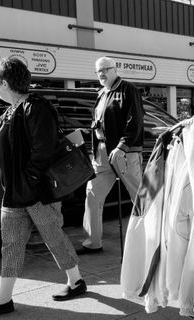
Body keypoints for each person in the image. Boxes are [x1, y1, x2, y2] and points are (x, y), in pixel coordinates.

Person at [0, 57, 87, 316]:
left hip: (37, 194)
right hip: (14, 193)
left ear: (4, 82)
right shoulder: (10, 111)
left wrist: (30, 181)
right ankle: (3, 299)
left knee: (53, 237)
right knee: (10, 244)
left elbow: (43, 151)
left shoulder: (36, 107)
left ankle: (75, 280)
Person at [77, 57, 145, 255]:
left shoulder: (128, 90)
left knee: (138, 196)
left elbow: (136, 121)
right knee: (92, 195)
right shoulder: (101, 93)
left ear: (115, 70)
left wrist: (123, 146)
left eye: (105, 69)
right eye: (98, 71)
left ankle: (154, 238)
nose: (101, 74)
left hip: (124, 153)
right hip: (102, 152)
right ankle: (92, 242)